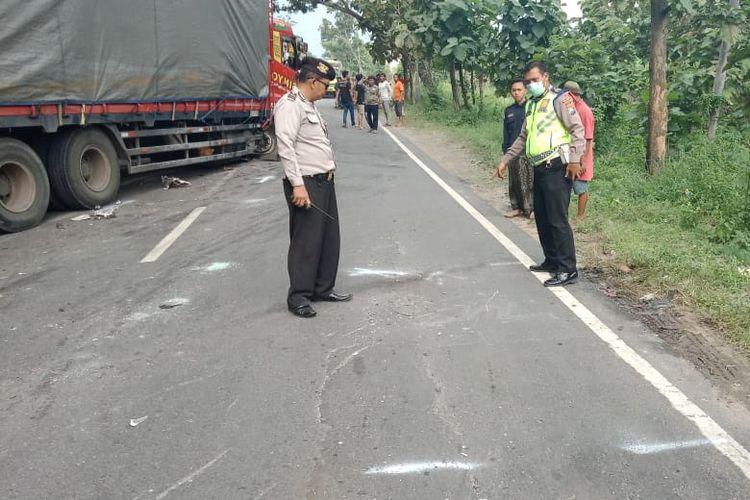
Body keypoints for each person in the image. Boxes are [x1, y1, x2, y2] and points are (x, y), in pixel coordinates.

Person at [273, 57, 353, 318]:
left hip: (324, 181)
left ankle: (322, 288)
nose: (327, 89)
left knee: (329, 238)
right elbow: (285, 146)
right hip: (306, 182)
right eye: (325, 84)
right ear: (312, 81)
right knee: (306, 241)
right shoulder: (290, 105)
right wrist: (298, 185)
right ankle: (299, 296)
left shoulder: (310, 105)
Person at [494, 61, 585, 287]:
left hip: (556, 167)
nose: (531, 84)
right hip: (539, 168)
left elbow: (578, 130)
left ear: (546, 77)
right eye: (528, 81)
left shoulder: (560, 99)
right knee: (542, 218)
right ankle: (552, 261)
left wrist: (575, 160)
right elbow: (523, 137)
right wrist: (505, 160)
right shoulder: (532, 105)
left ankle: (567, 269)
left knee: (557, 220)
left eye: (534, 80)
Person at [563, 81, 595, 224]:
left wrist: (582, 160)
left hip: (581, 156)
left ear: (570, 95)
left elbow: (588, 138)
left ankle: (580, 216)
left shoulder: (584, 111)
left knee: (580, 187)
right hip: (570, 154)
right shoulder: (572, 109)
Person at [502, 78, 534, 219]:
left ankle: (530, 209)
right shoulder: (509, 110)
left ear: (525, 91)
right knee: (513, 181)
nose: (516, 93)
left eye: (519, 90)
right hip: (511, 151)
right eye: (514, 90)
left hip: (527, 151)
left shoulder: (531, 108)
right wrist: (505, 151)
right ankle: (516, 207)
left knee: (528, 181)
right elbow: (506, 132)